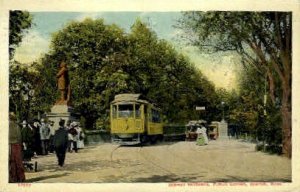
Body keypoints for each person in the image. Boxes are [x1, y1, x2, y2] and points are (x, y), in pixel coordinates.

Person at [9, 113, 25, 182]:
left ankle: (13, 178)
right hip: (16, 145)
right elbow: (19, 137)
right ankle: (20, 178)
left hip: (9, 145)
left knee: (12, 162)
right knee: (18, 162)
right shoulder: (16, 126)